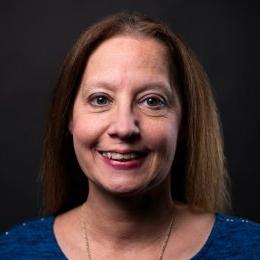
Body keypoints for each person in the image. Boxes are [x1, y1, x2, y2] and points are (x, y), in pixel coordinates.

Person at [0, 12, 259, 259]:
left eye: (152, 101)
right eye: (100, 99)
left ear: (185, 124)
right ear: (69, 117)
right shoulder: (11, 252)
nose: (124, 128)